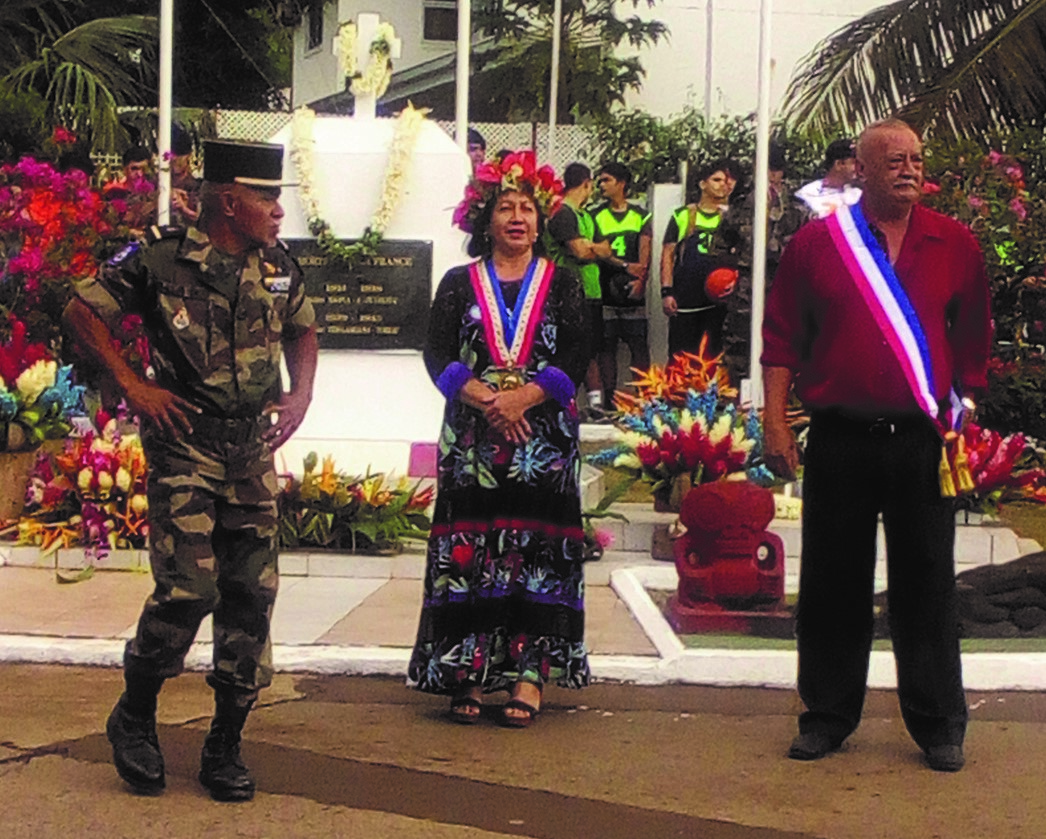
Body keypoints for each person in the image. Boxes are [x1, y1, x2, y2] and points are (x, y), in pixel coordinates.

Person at [63, 139, 319, 800]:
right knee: (188, 590)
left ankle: (224, 744)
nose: (277, 210)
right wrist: (133, 385)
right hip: (185, 446)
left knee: (251, 594)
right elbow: (81, 311)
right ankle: (135, 713)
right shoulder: (160, 261)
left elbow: (304, 328)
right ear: (230, 201)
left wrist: (301, 393)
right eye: (266, 197)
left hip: (250, 452)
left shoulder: (279, 267)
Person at [761, 119, 992, 772]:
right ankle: (827, 715)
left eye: (917, 158)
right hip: (839, 439)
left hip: (923, 442)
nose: (909, 169)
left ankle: (940, 723)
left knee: (927, 583)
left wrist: (963, 409)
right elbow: (781, 339)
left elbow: (974, 340)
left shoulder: (955, 243)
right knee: (833, 582)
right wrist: (775, 421)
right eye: (893, 159)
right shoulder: (816, 245)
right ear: (859, 169)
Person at [408, 150, 590, 727]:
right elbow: (436, 353)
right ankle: (466, 671)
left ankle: (529, 675)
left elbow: (577, 355)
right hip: (473, 441)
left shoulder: (563, 282)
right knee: (472, 549)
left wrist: (523, 399)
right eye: (505, 207)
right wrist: (488, 400)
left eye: (527, 209)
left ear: (542, 220)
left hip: (543, 439)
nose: (517, 218)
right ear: (485, 220)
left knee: (536, 553)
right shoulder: (460, 283)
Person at [544, 162, 613, 417]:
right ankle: (562, 403)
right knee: (567, 349)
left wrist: (593, 247)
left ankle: (595, 405)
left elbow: (607, 248)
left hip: (591, 293)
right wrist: (593, 248)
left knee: (590, 349)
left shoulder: (586, 215)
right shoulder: (562, 213)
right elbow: (582, 251)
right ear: (587, 184)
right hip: (567, 292)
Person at [659, 159, 742, 359]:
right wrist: (666, 291)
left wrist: (736, 280)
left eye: (726, 181)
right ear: (702, 184)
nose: (723, 184)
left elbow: (742, 255)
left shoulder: (732, 219)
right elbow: (668, 254)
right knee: (682, 361)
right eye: (716, 179)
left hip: (719, 302)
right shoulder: (683, 216)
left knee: (714, 360)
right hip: (687, 300)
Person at [592, 162, 651, 402]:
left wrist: (641, 280)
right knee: (607, 348)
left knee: (638, 345)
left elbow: (645, 251)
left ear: (621, 183)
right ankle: (610, 400)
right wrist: (624, 265)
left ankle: (645, 396)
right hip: (605, 289)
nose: (601, 185)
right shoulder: (596, 215)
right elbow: (599, 252)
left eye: (606, 180)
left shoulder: (640, 215)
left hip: (632, 291)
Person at [795, 138, 861, 218]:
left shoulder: (859, 195)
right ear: (839, 164)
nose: (859, 168)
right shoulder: (806, 195)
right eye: (854, 163)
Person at [170, 125, 201, 226]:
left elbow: (204, 223)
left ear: (189, 155)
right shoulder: (155, 185)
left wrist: (184, 209)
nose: (174, 158)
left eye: (179, 154)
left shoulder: (198, 188)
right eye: (170, 154)